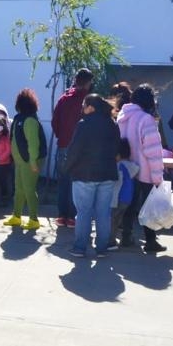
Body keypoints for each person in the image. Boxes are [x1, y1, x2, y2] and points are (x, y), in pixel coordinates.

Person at [62, 95, 120, 258]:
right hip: (107, 174)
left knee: (83, 212)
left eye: (84, 105)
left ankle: (80, 248)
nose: (82, 108)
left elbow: (74, 151)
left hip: (84, 175)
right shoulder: (112, 124)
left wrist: (66, 169)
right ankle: (102, 248)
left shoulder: (83, 124)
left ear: (91, 107)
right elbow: (117, 149)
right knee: (103, 213)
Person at [117, 84, 166, 254]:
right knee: (148, 207)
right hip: (145, 171)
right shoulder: (146, 119)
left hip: (127, 168)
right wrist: (158, 176)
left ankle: (126, 236)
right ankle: (151, 241)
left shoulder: (122, 117)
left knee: (129, 204)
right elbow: (153, 151)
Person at [51, 68, 93, 228]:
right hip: (81, 149)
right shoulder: (88, 101)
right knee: (78, 182)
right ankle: (73, 216)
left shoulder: (64, 98)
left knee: (63, 181)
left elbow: (55, 122)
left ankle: (62, 215)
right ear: (88, 82)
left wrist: (61, 136)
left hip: (63, 145)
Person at [5, 88, 46, 230]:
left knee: (29, 189)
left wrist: (33, 162)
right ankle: (16, 216)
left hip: (30, 161)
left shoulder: (29, 120)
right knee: (19, 189)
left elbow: (33, 143)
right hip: (21, 161)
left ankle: (34, 219)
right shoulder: (19, 119)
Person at [109, 139, 140, 250]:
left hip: (117, 199)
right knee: (117, 220)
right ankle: (114, 240)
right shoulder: (132, 167)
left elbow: (116, 184)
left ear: (118, 155)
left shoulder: (119, 167)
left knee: (111, 220)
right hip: (127, 200)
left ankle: (110, 242)